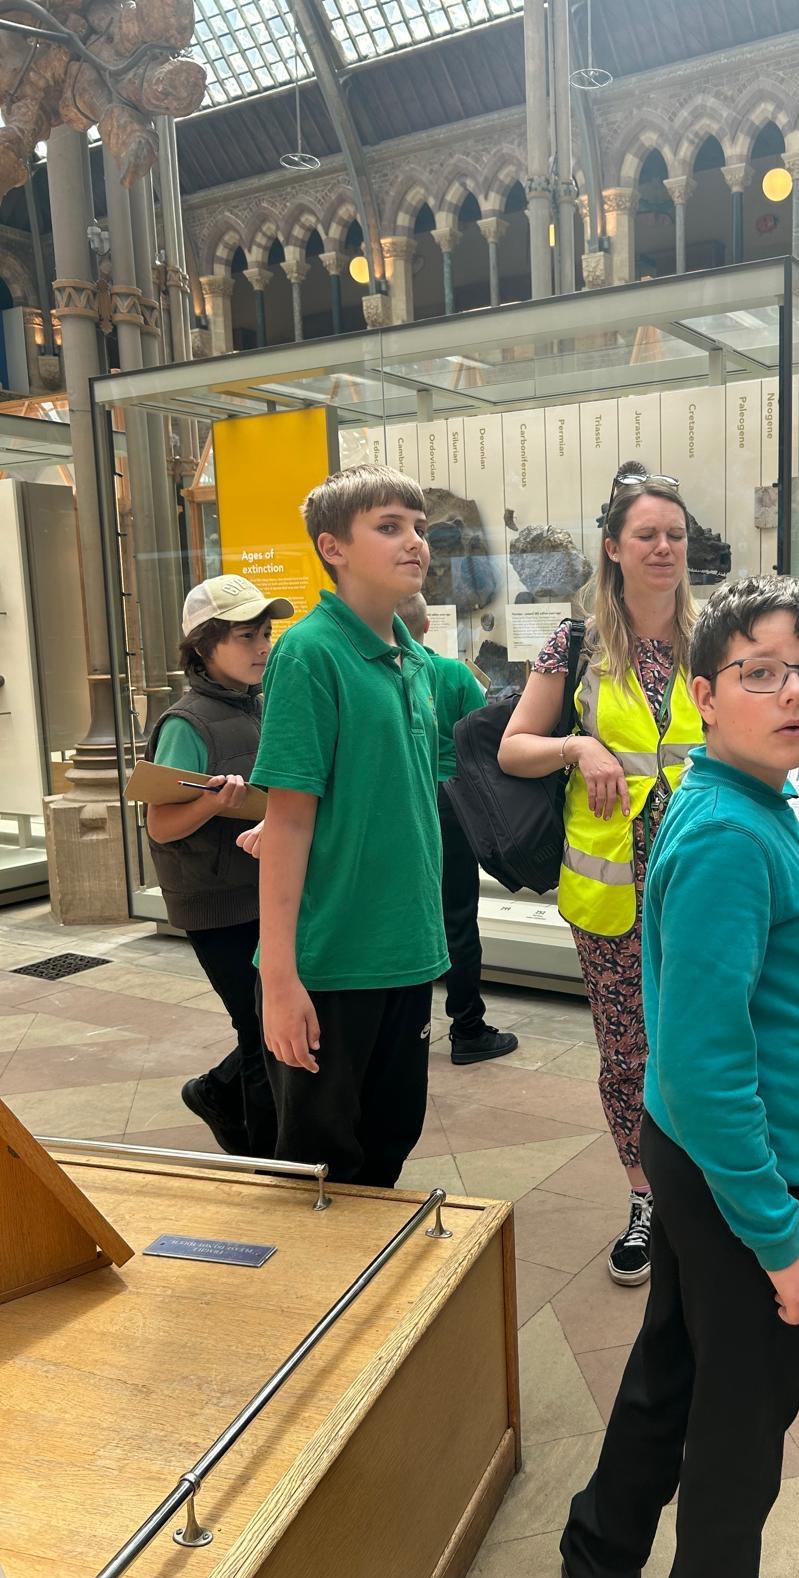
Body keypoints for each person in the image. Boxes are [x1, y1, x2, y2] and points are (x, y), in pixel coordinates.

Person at [558, 574, 799, 1578]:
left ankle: (598, 1556)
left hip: (696, 1153)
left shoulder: (738, 800)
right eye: (759, 672)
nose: (793, 693)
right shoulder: (731, 833)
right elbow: (705, 1063)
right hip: (742, 1170)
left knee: (676, 1368)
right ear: (705, 695)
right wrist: (782, 1238)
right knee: (742, 1424)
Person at [500, 463, 704, 1286]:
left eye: (676, 535)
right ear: (613, 548)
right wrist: (578, 746)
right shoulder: (577, 642)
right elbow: (514, 748)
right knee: (627, 1053)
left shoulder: (715, 639)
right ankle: (646, 1196)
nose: (663, 548)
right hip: (613, 888)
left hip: (702, 882)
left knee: (710, 1041)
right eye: (645, 535)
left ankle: (709, 1190)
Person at [252, 465, 448, 1188]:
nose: (414, 542)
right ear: (332, 547)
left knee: (388, 1147)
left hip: (406, 952)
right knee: (321, 1172)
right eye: (389, 527)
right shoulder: (310, 653)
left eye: (418, 527)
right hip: (332, 961)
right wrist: (280, 981)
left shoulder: (412, 658)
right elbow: (288, 821)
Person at [145, 574, 293, 1158]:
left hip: (266, 889)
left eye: (265, 634)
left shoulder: (261, 704)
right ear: (205, 645)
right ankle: (267, 1164)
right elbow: (160, 824)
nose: (262, 647)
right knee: (260, 1032)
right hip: (219, 904)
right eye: (245, 636)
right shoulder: (187, 723)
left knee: (276, 1021)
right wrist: (213, 802)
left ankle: (216, 1093)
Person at [395, 591, 518, 1064]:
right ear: (427, 626)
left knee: (403, 915)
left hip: (401, 799)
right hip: (452, 803)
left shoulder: (384, 674)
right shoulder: (453, 674)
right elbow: (481, 739)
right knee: (458, 917)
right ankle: (467, 1028)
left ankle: (404, 1028)